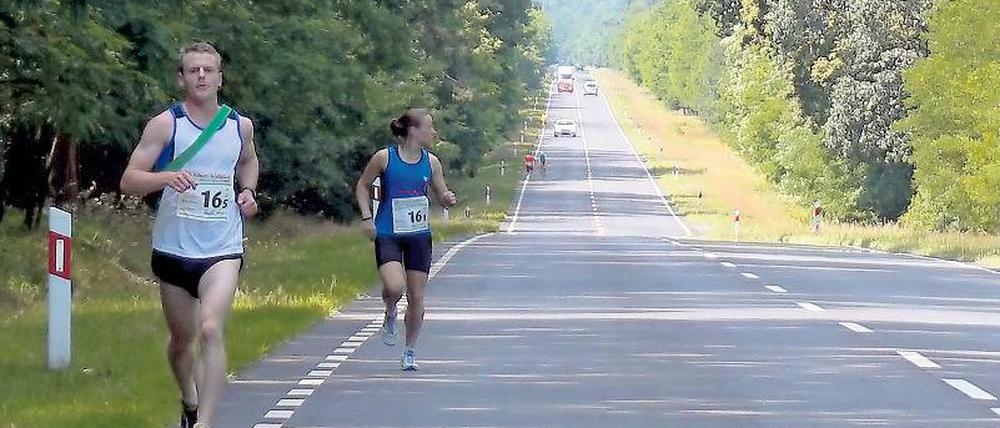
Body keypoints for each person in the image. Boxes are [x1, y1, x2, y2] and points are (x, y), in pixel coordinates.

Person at [120, 41, 259, 428]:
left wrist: (247, 191)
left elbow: (248, 161)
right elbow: (129, 180)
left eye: (207, 70)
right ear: (181, 78)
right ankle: (189, 400)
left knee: (211, 328)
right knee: (183, 342)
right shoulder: (167, 124)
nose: (201, 76)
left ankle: (206, 423)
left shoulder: (238, 125)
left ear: (219, 78)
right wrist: (167, 177)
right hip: (173, 249)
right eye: (193, 70)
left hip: (222, 248)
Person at [355, 108, 457, 370]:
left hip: (418, 236)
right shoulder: (385, 158)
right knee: (394, 287)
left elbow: (441, 191)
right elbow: (362, 185)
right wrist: (367, 218)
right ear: (413, 130)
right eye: (429, 127)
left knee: (417, 296)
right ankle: (390, 310)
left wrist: (446, 198)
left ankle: (410, 350)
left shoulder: (431, 162)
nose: (434, 132)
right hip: (388, 233)